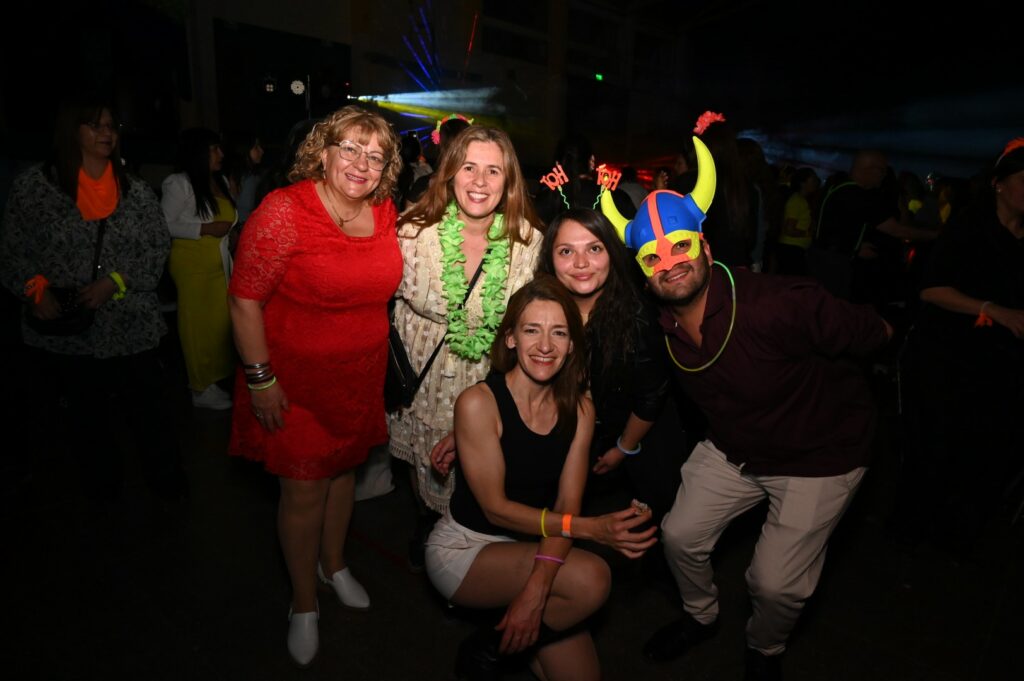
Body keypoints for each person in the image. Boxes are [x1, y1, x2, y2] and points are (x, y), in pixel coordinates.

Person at [600, 136, 893, 680]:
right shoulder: (662, 327)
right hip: (735, 446)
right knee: (679, 536)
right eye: (653, 258)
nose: (671, 264)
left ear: (706, 247)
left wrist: (874, 355)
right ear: (643, 272)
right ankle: (700, 615)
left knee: (773, 583)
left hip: (819, 455)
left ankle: (764, 650)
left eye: (681, 247)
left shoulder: (776, 304)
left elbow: (868, 331)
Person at [226, 104, 402, 668]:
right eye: (349, 148)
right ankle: (303, 602)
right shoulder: (286, 210)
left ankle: (335, 565)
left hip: (358, 379)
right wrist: (261, 380)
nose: (361, 163)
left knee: (344, 475)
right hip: (292, 384)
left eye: (375, 156)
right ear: (322, 153)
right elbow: (243, 300)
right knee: (303, 490)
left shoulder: (385, 211)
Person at [425, 275, 658, 681]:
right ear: (511, 338)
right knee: (592, 578)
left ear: (572, 345)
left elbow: (567, 505)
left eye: (559, 332)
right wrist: (591, 529)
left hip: (537, 543)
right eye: (532, 330)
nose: (546, 345)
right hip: (469, 548)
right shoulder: (479, 404)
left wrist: (536, 590)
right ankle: (489, 651)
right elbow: (496, 510)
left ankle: (497, 640)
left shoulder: (580, 410)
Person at [0, 95, 186, 502]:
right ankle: (103, 491)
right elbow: (14, 249)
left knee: (149, 411)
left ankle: (168, 489)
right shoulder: (35, 188)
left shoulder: (134, 191)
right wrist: (36, 290)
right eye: (95, 125)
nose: (107, 133)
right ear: (72, 131)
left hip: (130, 326)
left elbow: (156, 247)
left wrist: (115, 281)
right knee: (85, 417)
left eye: (111, 126)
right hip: (66, 328)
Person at [389, 125, 544, 573]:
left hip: (490, 380)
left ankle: (473, 555)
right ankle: (430, 532)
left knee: (485, 484)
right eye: (469, 167)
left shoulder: (528, 242)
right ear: (450, 172)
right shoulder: (412, 232)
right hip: (424, 380)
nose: (479, 181)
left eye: (493, 170)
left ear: (508, 179)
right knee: (426, 471)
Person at [892, 138, 1024, 556]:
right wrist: (991, 309)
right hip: (946, 356)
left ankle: (958, 537)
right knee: (933, 444)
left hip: (999, 364)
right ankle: (910, 533)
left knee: (984, 450)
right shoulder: (970, 227)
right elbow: (931, 289)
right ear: (999, 184)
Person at [537, 208, 685, 528]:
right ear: (550, 259)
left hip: (631, 447)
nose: (581, 263)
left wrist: (623, 448)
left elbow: (652, 395)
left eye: (594, 248)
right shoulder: (540, 311)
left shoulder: (638, 317)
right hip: (566, 445)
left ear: (612, 254)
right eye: (566, 251)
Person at [161, 127, 238, 410]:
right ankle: (200, 386)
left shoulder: (221, 181)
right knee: (196, 326)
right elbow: (164, 224)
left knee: (219, 325)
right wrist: (204, 228)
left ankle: (214, 379)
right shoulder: (179, 183)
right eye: (213, 149)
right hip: (192, 266)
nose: (220, 154)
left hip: (219, 265)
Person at [774, 167, 821, 275]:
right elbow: (789, 229)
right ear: (803, 183)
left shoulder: (802, 200)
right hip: (791, 249)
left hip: (793, 249)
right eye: (813, 179)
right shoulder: (797, 201)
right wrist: (808, 233)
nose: (816, 182)